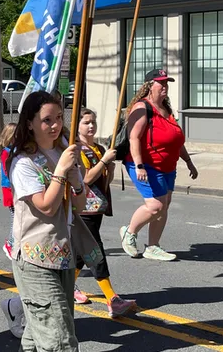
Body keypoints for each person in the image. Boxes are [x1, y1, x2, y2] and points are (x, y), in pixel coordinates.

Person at [7, 91, 85, 352]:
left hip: (63, 253)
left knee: (40, 333)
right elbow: (46, 207)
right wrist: (61, 171)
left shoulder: (64, 150)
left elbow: (81, 206)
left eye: (59, 118)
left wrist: (77, 184)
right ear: (29, 123)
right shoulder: (23, 162)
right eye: (47, 120)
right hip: (34, 257)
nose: (55, 125)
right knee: (59, 340)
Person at [121, 69, 199, 262]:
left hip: (167, 167)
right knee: (155, 206)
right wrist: (139, 165)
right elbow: (134, 138)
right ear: (149, 86)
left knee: (163, 207)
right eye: (161, 83)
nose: (165, 87)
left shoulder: (166, 109)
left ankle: (153, 246)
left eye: (167, 83)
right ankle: (129, 232)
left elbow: (176, 141)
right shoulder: (141, 108)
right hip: (146, 165)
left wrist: (188, 162)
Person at [71, 108, 138, 317]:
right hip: (83, 209)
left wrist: (109, 169)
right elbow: (86, 178)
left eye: (93, 122)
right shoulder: (76, 149)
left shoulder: (100, 148)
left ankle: (66, 287)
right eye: (86, 123)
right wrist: (102, 162)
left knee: (82, 254)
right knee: (95, 251)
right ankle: (112, 299)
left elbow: (104, 180)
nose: (91, 126)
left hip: (98, 206)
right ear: (77, 126)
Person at [0, 123, 26, 339]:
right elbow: (10, 176)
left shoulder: (15, 153)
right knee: (15, 219)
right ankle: (11, 243)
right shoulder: (8, 154)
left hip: (15, 193)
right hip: (12, 193)